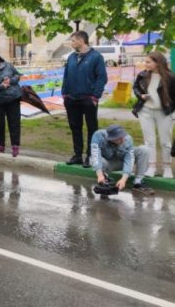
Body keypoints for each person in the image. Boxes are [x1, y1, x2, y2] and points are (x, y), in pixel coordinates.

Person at [62, 30, 108, 167]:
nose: (72, 43)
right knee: (75, 127)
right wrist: (65, 93)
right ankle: (77, 155)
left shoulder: (96, 57)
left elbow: (102, 78)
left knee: (92, 128)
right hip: (72, 99)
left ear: (81, 41)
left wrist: (95, 96)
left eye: (73, 40)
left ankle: (90, 156)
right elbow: (66, 76)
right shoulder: (71, 57)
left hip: (88, 99)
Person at [132, 51, 175, 175]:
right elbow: (135, 88)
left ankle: (167, 167)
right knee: (149, 141)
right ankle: (151, 167)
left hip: (165, 113)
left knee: (165, 141)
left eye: (148, 62)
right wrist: (141, 95)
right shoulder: (142, 75)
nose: (146, 64)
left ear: (157, 63)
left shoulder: (170, 77)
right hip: (145, 112)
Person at [91, 125, 153, 195]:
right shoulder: (98, 136)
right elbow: (95, 155)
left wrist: (124, 179)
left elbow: (129, 159)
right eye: (119, 138)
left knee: (144, 150)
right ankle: (104, 180)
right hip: (108, 163)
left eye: (123, 136)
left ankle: (138, 182)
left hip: (121, 162)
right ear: (110, 139)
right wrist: (99, 175)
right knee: (98, 161)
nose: (123, 140)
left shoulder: (128, 139)